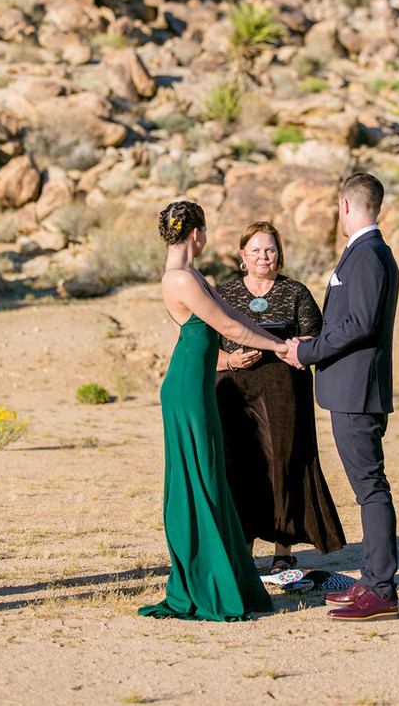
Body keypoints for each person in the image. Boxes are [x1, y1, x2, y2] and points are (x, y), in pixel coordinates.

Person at [138, 201, 292, 622]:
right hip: (186, 390)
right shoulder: (179, 279)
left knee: (209, 474)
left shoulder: (190, 276)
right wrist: (281, 346)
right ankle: (203, 580)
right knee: (198, 477)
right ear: (195, 234)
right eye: (204, 232)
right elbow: (229, 328)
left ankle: (223, 572)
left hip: (196, 385)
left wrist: (273, 342)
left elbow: (234, 318)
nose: (206, 239)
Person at [283, 173, 399, 621]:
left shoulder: (368, 254)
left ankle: (382, 591)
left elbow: (359, 325)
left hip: (358, 392)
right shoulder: (366, 252)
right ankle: (371, 581)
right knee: (367, 488)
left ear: (346, 206)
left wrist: (305, 351)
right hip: (351, 388)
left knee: (370, 490)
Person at [214, 221, 346, 574]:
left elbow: (317, 340)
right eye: (255, 250)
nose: (263, 256)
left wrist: (295, 347)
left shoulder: (297, 293)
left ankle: (282, 550)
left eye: (269, 249)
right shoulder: (223, 296)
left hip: (285, 394)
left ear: (279, 255)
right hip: (235, 396)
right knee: (241, 468)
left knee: (283, 465)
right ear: (243, 256)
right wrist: (230, 360)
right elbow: (203, 351)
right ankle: (244, 548)